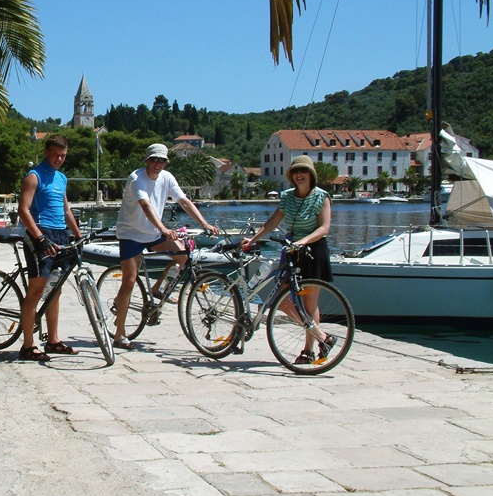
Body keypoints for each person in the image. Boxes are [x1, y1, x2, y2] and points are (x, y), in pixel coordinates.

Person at [112, 143, 220, 350]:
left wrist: (205, 223)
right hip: (131, 234)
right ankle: (119, 333)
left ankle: (157, 288)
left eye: (161, 160)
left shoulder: (167, 177)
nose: (157, 164)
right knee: (130, 279)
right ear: (147, 160)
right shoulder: (136, 179)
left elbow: (184, 201)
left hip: (153, 232)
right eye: (154, 160)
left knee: (184, 258)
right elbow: (145, 206)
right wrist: (163, 228)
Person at [240, 154, 334, 364]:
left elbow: (324, 227)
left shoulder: (322, 196)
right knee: (280, 301)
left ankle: (308, 351)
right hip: (291, 251)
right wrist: (252, 239)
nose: (299, 175)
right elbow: (271, 223)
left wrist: (303, 241)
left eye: (303, 171)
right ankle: (323, 338)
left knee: (309, 304)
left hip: (313, 251)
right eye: (296, 172)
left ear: (311, 174)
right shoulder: (288, 197)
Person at [17, 134, 82, 362]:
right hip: (40, 234)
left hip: (60, 234)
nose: (58, 159)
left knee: (56, 289)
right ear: (46, 152)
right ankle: (28, 346)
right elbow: (23, 211)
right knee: (36, 290)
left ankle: (53, 341)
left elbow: (66, 210)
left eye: (63, 156)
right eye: (55, 154)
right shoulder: (34, 177)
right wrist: (40, 238)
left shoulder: (61, 178)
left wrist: (78, 235)